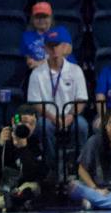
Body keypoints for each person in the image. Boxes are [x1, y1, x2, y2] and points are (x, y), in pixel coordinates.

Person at [26, 29, 89, 172]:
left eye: (57, 45)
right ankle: (52, 167)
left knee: (82, 125)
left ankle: (78, 166)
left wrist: (70, 116)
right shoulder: (37, 73)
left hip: (70, 115)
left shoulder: (75, 70)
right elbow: (36, 102)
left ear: (64, 47)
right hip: (48, 117)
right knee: (43, 125)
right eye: (50, 45)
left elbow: (81, 99)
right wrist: (53, 118)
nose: (54, 49)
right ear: (45, 48)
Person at [20, 2, 57, 70]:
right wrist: (30, 62)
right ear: (32, 19)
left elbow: (60, 59)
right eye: (38, 17)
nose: (41, 20)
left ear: (51, 18)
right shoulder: (26, 36)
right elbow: (28, 59)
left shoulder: (59, 34)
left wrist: (40, 64)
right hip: (37, 73)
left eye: (45, 17)